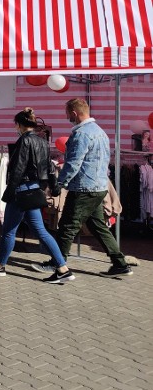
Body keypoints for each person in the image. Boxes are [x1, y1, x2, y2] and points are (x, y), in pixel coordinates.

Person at [32, 97, 133, 278]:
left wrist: (59, 184)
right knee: (98, 226)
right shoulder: (100, 132)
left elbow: (73, 163)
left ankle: (58, 264)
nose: (67, 117)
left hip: (84, 188)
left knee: (67, 225)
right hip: (99, 186)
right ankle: (120, 263)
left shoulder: (82, 134)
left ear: (74, 113)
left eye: (67, 114)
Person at [0, 108, 74, 283]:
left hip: (21, 191)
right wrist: (54, 187)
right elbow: (50, 167)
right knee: (40, 231)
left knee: (9, 231)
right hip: (34, 190)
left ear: (19, 125)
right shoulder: (42, 142)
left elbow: (18, 169)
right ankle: (62, 268)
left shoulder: (24, 141)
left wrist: (9, 191)